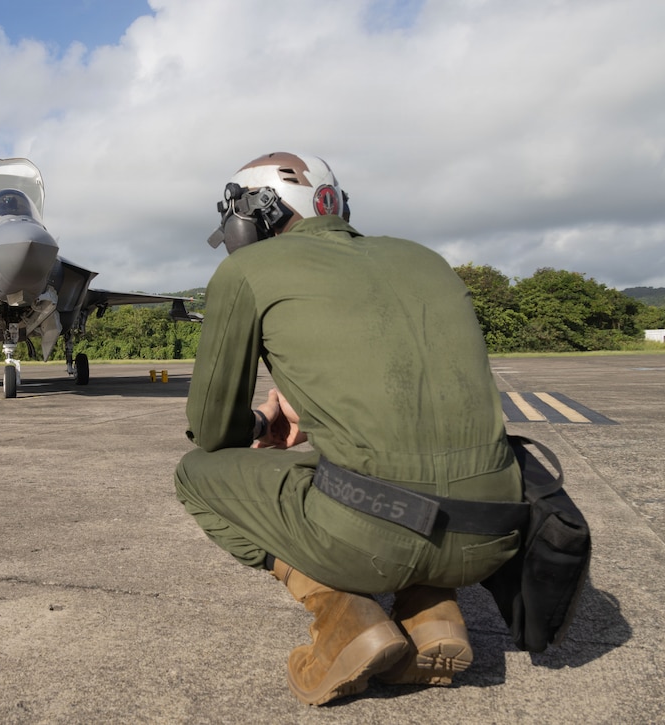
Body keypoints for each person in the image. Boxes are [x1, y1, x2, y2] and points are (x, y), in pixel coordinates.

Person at [175, 152, 523, 706]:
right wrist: (311, 417)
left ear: (254, 213)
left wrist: (265, 420)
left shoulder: (246, 271)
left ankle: (342, 615)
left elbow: (213, 431)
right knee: (398, 471)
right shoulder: (425, 259)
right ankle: (432, 609)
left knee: (195, 473)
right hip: (493, 534)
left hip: (371, 540)